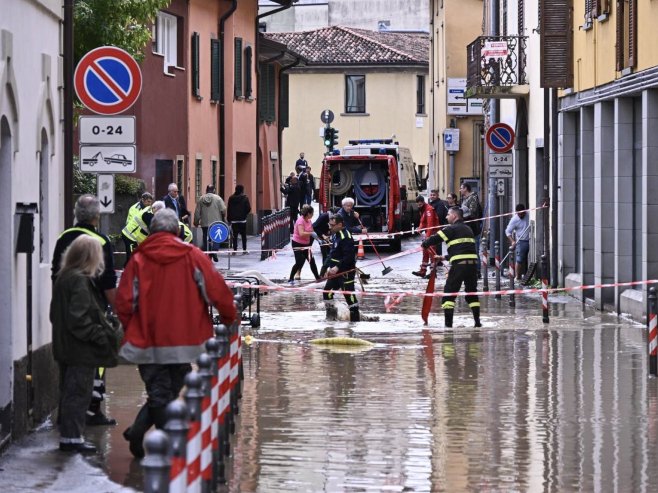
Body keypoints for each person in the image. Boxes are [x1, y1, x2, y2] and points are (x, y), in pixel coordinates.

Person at [116, 209, 238, 459]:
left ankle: (140, 433)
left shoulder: (138, 259)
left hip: (147, 341)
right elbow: (217, 290)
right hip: (185, 340)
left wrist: (132, 328)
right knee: (172, 390)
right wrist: (228, 317)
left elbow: (124, 302)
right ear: (177, 231)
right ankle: (168, 450)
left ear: (152, 231)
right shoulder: (192, 255)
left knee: (161, 392)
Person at [50, 235, 123, 453]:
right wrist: (102, 336)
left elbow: (59, 314)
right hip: (79, 349)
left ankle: (72, 437)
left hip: (67, 346)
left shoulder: (66, 276)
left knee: (71, 391)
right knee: (78, 393)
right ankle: (72, 440)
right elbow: (79, 318)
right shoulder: (79, 280)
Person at [51, 194, 118, 427]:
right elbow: (108, 283)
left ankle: (70, 416)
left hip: (61, 309)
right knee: (94, 363)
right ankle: (92, 410)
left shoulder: (63, 237)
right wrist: (119, 314)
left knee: (67, 369)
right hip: (91, 310)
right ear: (96, 216)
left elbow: (54, 273)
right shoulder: (99, 241)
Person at [422, 207, 481, 328]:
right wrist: (444, 257)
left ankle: (448, 327)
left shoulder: (451, 229)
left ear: (454, 216)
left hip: (459, 266)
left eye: (448, 214)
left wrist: (425, 243)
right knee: (472, 294)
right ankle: (477, 322)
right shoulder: (468, 229)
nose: (446, 217)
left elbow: (436, 238)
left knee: (448, 295)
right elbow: (462, 250)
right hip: (472, 266)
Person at [322, 214, 360, 322]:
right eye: (329, 224)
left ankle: (355, 322)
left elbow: (348, 257)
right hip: (334, 272)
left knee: (349, 296)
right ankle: (331, 318)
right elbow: (332, 253)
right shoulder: (335, 235)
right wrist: (325, 267)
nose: (330, 227)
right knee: (327, 292)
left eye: (332, 225)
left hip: (346, 272)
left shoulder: (346, 237)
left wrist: (337, 268)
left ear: (340, 224)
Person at [289, 204, 321, 284]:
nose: (313, 215)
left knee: (311, 261)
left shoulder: (309, 221)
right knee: (299, 261)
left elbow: (312, 230)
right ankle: (291, 278)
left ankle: (317, 277)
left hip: (306, 244)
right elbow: (301, 233)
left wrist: (318, 239)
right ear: (308, 213)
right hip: (297, 243)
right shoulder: (300, 221)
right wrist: (311, 234)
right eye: (312, 213)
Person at [194, 184, 226, 261]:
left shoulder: (201, 199)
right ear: (214, 190)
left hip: (205, 223)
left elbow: (197, 212)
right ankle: (214, 251)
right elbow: (223, 209)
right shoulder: (218, 198)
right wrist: (223, 217)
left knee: (205, 238)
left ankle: (208, 253)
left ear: (206, 190)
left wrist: (196, 222)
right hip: (216, 222)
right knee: (216, 238)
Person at [412, 195, 440, 278]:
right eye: (418, 205)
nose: (419, 206)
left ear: (423, 202)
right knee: (425, 251)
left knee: (431, 253)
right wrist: (420, 228)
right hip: (428, 233)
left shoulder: (429, 210)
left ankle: (433, 273)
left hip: (432, 234)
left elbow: (430, 224)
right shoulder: (423, 210)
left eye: (420, 204)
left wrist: (428, 237)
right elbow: (423, 222)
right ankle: (422, 271)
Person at [459, 182, 483, 276]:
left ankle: (477, 271)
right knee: (467, 250)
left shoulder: (473, 198)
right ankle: (470, 270)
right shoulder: (465, 199)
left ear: (466, 189)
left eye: (461, 188)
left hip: (473, 228)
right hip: (466, 228)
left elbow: (472, 213)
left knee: (475, 250)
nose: (460, 190)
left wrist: (462, 217)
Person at [122, 192, 153, 262]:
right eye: (148, 201)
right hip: (131, 235)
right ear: (142, 200)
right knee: (131, 256)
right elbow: (132, 223)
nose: (149, 204)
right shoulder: (134, 208)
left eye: (150, 202)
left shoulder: (148, 210)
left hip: (139, 237)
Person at [505, 203, 531, 279]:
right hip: (521, 241)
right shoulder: (514, 219)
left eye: (522, 214)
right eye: (519, 214)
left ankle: (526, 275)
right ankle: (518, 277)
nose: (521, 216)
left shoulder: (529, 214)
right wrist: (512, 241)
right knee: (519, 259)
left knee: (527, 259)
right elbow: (507, 232)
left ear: (525, 211)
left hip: (530, 240)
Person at [313, 206, 340, 271]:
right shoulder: (324, 216)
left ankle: (330, 270)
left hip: (327, 235)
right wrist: (323, 236)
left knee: (330, 253)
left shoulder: (334, 219)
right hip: (318, 234)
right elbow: (314, 227)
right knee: (324, 253)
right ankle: (324, 271)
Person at [227, 184, 251, 254]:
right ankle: (244, 250)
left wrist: (229, 219)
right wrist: (244, 214)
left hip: (234, 221)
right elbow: (248, 208)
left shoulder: (231, 198)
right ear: (242, 190)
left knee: (235, 236)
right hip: (242, 220)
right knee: (243, 236)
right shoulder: (245, 198)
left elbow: (229, 209)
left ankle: (234, 250)